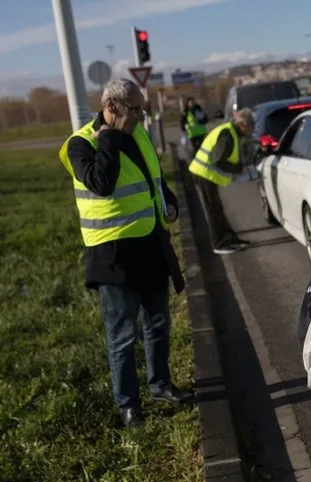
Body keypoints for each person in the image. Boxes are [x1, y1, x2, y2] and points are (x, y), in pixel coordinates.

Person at [58, 78, 194, 428]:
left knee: (159, 324)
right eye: (135, 109)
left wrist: (170, 201)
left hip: (150, 245)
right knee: (122, 336)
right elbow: (101, 183)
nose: (141, 116)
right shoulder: (80, 144)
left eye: (142, 109)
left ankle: (160, 384)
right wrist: (109, 137)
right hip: (113, 256)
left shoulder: (140, 134)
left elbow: (154, 179)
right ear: (112, 107)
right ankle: (127, 404)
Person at [188, 108, 257, 254]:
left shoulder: (231, 132)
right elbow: (218, 161)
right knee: (213, 209)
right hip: (203, 173)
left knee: (217, 208)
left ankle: (229, 238)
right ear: (243, 124)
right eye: (251, 126)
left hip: (206, 174)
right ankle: (219, 244)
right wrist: (239, 169)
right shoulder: (228, 135)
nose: (252, 130)